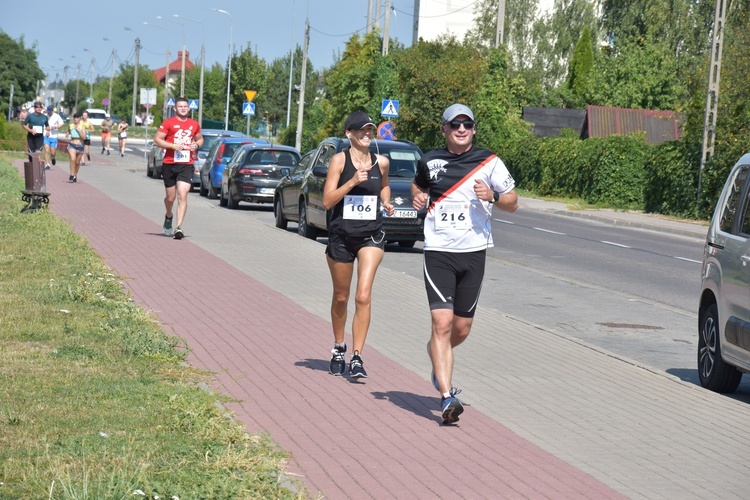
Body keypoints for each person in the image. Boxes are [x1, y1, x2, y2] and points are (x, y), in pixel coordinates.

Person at [411, 104, 518, 424]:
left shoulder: (489, 162)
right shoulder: (429, 161)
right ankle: (446, 397)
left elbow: (513, 202)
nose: (461, 129)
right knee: (442, 324)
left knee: (461, 329)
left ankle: (436, 351)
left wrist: (494, 197)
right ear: (443, 129)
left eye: (467, 124)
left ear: (473, 129)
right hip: (439, 252)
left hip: (474, 253)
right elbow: (418, 185)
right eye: (454, 124)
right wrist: (417, 196)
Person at [322, 111, 395, 379]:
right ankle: (339, 346)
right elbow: (328, 201)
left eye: (370, 130)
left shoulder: (382, 162)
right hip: (341, 236)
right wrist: (352, 181)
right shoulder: (339, 161)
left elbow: (384, 187)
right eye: (361, 131)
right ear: (349, 134)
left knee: (363, 295)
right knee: (341, 296)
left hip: (371, 235)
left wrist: (386, 202)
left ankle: (357, 356)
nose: (367, 134)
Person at [152, 97, 203, 240]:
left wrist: (197, 145)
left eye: (185, 106)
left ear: (189, 108)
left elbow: (200, 139)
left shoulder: (194, 124)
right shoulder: (169, 123)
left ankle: (179, 227)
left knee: (183, 194)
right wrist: (172, 146)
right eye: (180, 106)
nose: (183, 108)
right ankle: (169, 215)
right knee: (170, 197)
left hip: (186, 164)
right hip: (169, 163)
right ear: (175, 109)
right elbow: (157, 140)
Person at [65, 113, 87, 183]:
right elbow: (68, 131)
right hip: (72, 144)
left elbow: (84, 137)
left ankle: (75, 175)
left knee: (77, 162)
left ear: (80, 119)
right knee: (72, 159)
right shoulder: (71, 125)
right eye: (75, 118)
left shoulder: (82, 126)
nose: (76, 119)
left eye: (77, 118)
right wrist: (67, 134)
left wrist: (79, 130)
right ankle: (71, 174)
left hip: (80, 145)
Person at [43, 105, 64, 169]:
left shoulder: (57, 116)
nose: (48, 112)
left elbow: (61, 124)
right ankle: (47, 164)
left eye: (50, 111)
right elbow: (43, 125)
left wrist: (55, 127)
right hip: (45, 136)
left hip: (54, 136)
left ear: (52, 110)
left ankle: (53, 157)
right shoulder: (45, 116)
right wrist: (45, 130)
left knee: (52, 152)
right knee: (46, 150)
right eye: (48, 111)